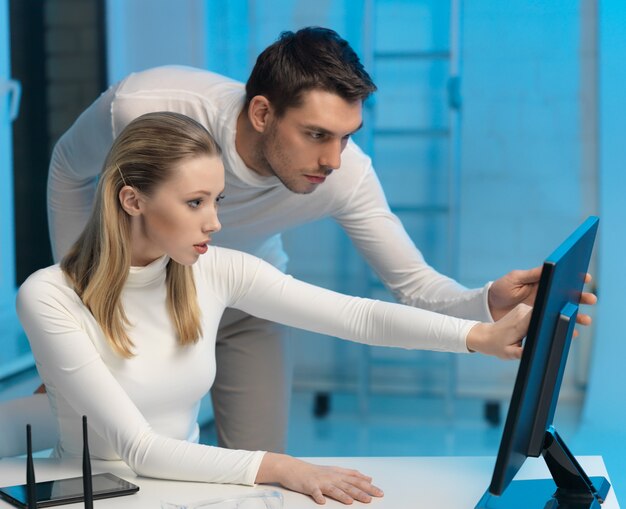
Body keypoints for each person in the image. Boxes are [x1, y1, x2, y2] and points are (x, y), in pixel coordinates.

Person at [46, 27, 595, 455]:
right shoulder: (145, 107)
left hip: (248, 303)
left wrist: (487, 304)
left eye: (346, 137)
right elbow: (68, 170)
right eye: (316, 135)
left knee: (255, 478)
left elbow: (412, 286)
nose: (333, 159)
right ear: (262, 113)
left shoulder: (344, 176)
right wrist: (87, 297)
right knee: (115, 457)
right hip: (137, 297)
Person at [21, 112, 533, 504]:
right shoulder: (49, 296)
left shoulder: (215, 269)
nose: (214, 222)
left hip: (184, 490)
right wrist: (286, 467)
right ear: (132, 201)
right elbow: (139, 449)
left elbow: (357, 316)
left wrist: (478, 337)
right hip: (94, 496)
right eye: (195, 202)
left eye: (217, 200)